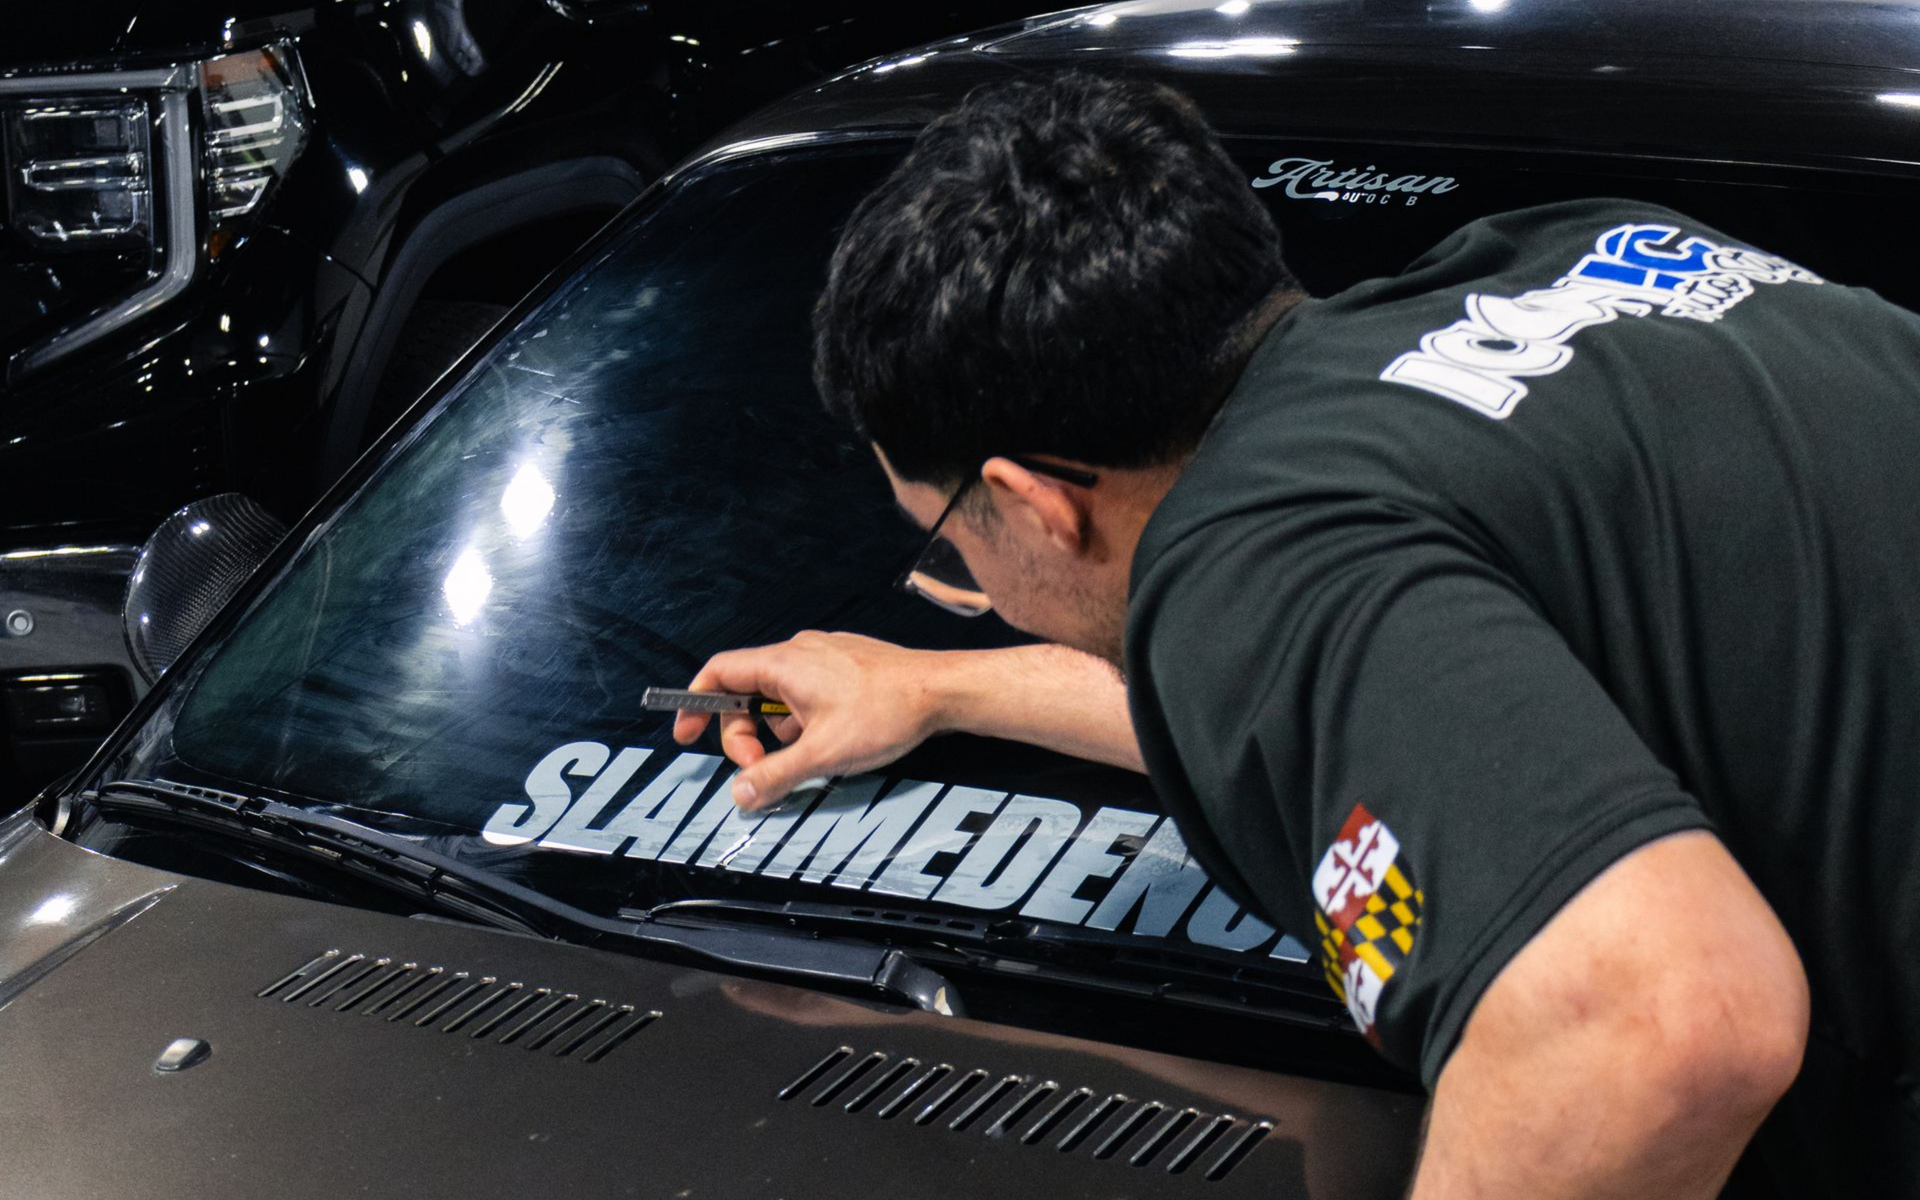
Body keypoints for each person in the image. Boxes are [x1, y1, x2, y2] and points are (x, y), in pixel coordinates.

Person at [671, 72, 1920, 1196]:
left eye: (947, 536)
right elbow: (1408, 708)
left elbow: (1661, 1025)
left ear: (1038, 505)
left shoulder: (1254, 557)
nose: (970, 580)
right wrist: (938, 687)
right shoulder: (1569, 260)